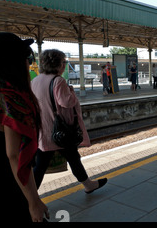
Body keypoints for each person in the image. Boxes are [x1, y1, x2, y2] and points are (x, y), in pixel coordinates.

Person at [0, 32, 49, 222]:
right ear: (15, 63)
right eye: (27, 58)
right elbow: (15, 155)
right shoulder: (12, 100)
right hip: (8, 188)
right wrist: (33, 201)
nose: (28, 63)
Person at [31, 49, 108, 194]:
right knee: (67, 159)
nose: (64, 65)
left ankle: (88, 184)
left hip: (43, 130)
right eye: (64, 62)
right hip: (60, 131)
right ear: (58, 64)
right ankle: (30, 198)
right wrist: (71, 92)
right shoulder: (58, 81)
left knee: (47, 164)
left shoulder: (35, 80)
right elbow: (66, 102)